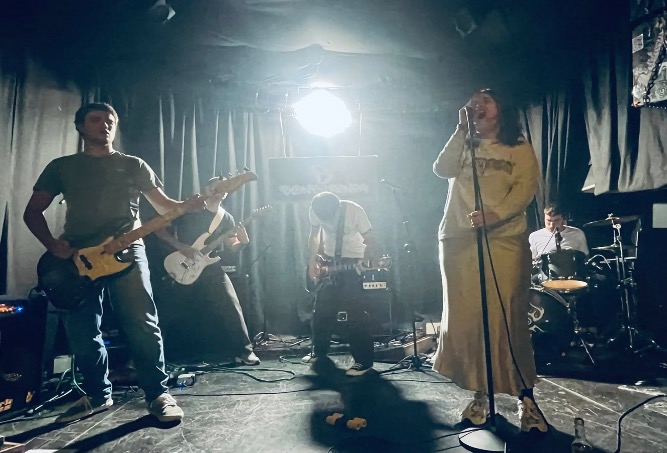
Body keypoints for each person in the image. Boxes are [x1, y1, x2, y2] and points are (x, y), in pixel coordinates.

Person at [23, 102, 185, 424]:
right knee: (82, 330)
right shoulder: (62, 166)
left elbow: (167, 206)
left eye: (110, 120)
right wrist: (53, 244)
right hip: (78, 258)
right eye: (96, 119)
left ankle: (158, 394)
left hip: (126, 249)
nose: (105, 124)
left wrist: (199, 202)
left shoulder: (133, 164)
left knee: (142, 322)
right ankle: (97, 395)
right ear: (80, 127)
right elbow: (32, 212)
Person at [431, 89, 548, 432]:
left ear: (502, 108)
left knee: (507, 318)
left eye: (486, 99)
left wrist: (495, 215)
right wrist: (460, 130)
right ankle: (480, 394)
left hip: (503, 239)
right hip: (458, 240)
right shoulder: (464, 143)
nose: (477, 104)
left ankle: (526, 399)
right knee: (468, 321)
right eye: (474, 100)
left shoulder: (518, 147)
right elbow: (441, 168)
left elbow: (525, 189)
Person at [154, 178, 260, 366]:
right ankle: (149, 356)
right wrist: (180, 246)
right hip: (182, 264)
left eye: (224, 187)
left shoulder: (226, 218)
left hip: (210, 268)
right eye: (215, 186)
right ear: (206, 188)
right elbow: (159, 228)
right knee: (166, 312)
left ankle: (245, 351)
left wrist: (243, 242)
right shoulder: (190, 209)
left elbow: (231, 246)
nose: (220, 189)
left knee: (231, 305)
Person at [306, 192, 380, 377]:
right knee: (321, 311)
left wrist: (367, 258)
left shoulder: (354, 211)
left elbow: (370, 239)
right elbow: (314, 235)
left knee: (355, 313)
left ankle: (364, 361)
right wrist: (311, 262)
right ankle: (319, 353)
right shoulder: (315, 210)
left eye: (329, 218)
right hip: (328, 261)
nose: (327, 222)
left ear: (337, 208)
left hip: (353, 261)